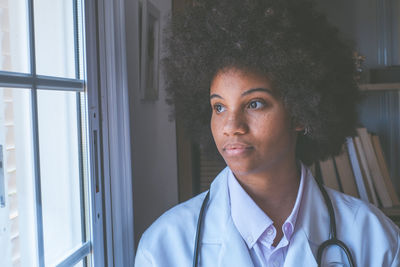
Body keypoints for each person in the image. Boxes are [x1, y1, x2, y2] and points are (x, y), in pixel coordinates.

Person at [135, 0, 400, 266]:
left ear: (299, 111)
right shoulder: (163, 247)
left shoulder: (376, 239)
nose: (231, 126)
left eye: (254, 104)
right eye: (219, 107)